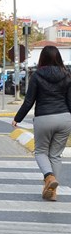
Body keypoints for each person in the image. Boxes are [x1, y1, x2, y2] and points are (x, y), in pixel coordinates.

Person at [12, 46, 71, 201]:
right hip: (64, 117)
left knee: (40, 152)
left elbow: (29, 101)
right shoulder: (67, 75)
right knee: (56, 155)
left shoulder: (37, 75)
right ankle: (52, 192)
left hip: (44, 117)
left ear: (42, 59)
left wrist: (17, 118)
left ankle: (49, 178)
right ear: (58, 58)